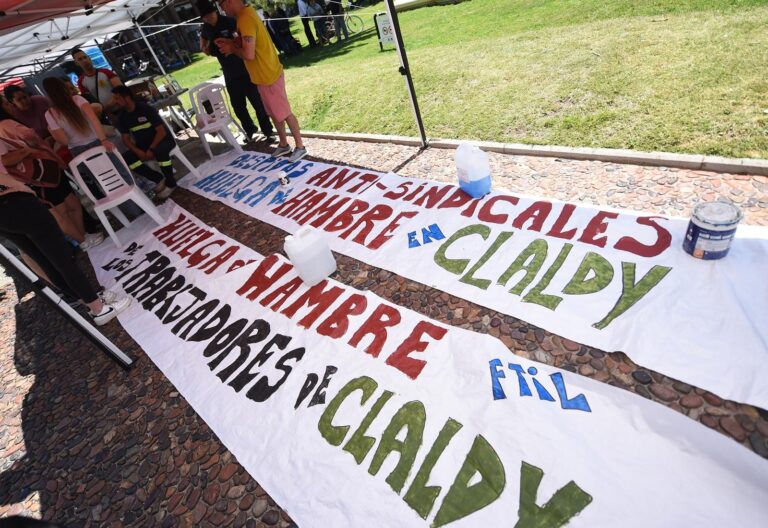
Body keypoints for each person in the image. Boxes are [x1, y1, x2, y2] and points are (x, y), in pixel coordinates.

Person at [0, 165, 131, 325]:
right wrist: (23, 188)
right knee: (61, 259)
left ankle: (91, 301)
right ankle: (98, 308)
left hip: (5, 217)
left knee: (45, 261)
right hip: (15, 201)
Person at [216, 0, 308, 162]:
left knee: (285, 113)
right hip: (264, 75)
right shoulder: (245, 15)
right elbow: (248, 44)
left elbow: (249, 54)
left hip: (268, 75)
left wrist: (231, 49)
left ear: (229, 1)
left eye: (221, 4)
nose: (221, 9)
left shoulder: (245, 19)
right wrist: (232, 43)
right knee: (274, 113)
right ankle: (284, 144)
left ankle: (300, 147)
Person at [0, 105, 102, 250]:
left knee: (69, 205)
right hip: (38, 174)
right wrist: (27, 150)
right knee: (62, 210)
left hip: (44, 171)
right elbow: (6, 159)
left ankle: (83, 238)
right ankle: (82, 240)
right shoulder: (6, 125)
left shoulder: (7, 123)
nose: (11, 106)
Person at [196, 0, 274, 143]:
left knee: (257, 101)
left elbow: (242, 39)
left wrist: (231, 44)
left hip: (243, 67)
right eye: (205, 17)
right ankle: (250, 130)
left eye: (210, 15)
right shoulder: (205, 29)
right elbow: (205, 47)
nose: (208, 18)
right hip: (228, 71)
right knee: (238, 105)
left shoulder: (230, 21)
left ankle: (268, 130)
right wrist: (205, 47)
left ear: (215, 11)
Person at [111, 85, 178, 198]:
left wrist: (151, 149)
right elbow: (125, 139)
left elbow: (161, 132)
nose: (115, 102)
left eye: (117, 98)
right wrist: (138, 151)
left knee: (160, 152)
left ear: (126, 98)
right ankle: (158, 179)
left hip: (163, 141)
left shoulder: (146, 109)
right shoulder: (122, 117)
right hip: (143, 146)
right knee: (128, 158)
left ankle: (171, 183)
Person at [71, 48, 123, 116]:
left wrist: (109, 105)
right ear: (76, 63)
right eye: (80, 59)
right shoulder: (81, 82)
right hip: (107, 114)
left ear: (89, 58)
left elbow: (120, 89)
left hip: (122, 107)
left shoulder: (105, 72)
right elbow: (90, 101)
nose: (84, 61)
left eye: (85, 57)